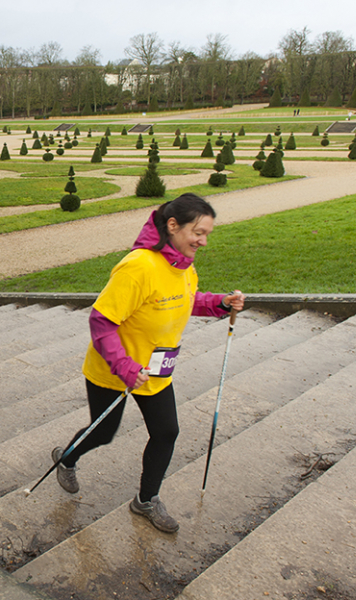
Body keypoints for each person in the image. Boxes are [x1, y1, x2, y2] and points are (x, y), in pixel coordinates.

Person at [51, 193, 245, 534]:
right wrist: (125, 366)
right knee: (104, 433)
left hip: (156, 369)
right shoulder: (138, 266)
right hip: (114, 372)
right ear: (172, 226)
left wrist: (219, 303)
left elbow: (184, 301)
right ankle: (66, 457)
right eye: (198, 232)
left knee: (167, 431)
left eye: (207, 234)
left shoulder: (183, 265)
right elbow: (101, 321)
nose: (203, 241)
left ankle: (146, 499)